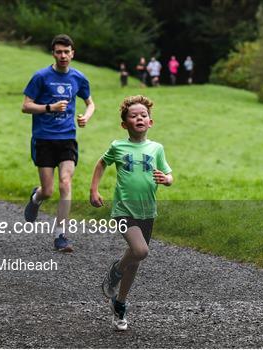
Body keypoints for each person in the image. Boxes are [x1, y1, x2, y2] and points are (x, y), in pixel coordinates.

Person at [90, 95, 173, 331]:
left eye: (143, 115)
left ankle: (120, 304)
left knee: (135, 260)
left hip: (147, 211)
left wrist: (166, 179)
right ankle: (115, 272)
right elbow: (101, 164)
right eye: (133, 116)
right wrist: (94, 190)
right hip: (123, 210)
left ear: (150, 122)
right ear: (124, 124)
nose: (139, 118)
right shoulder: (118, 146)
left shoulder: (157, 148)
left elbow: (169, 174)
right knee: (140, 251)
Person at [22, 34, 95, 252]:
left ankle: (61, 235)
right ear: (53, 53)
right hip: (44, 138)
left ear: (73, 53)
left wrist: (86, 117)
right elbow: (26, 106)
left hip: (67, 138)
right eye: (59, 52)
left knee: (65, 183)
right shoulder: (41, 77)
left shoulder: (79, 78)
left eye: (67, 52)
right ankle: (36, 198)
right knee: (48, 191)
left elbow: (90, 103)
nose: (63, 56)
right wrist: (49, 108)